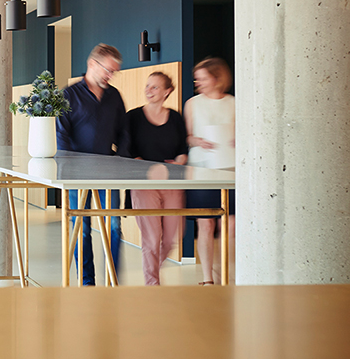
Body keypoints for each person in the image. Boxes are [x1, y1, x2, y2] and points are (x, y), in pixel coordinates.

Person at [57, 43, 130, 285]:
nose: (111, 76)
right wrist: (69, 171)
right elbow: (61, 136)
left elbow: (124, 133)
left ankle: (113, 280)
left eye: (114, 72)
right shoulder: (69, 95)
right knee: (83, 228)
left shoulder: (115, 96)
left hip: (107, 175)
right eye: (108, 70)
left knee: (114, 227)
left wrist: (121, 161)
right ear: (92, 64)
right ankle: (87, 282)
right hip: (77, 176)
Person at [127, 72, 189, 285]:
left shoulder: (175, 118)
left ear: (167, 91)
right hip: (144, 186)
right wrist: (147, 167)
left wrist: (177, 164)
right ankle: (152, 284)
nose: (148, 91)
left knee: (172, 238)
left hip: (172, 184)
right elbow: (127, 150)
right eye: (147, 86)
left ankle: (152, 272)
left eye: (154, 87)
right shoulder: (133, 117)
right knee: (152, 239)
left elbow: (182, 151)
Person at [183, 57, 236, 285]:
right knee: (206, 223)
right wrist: (196, 140)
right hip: (201, 170)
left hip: (231, 171)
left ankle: (228, 272)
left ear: (216, 78)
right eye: (197, 79)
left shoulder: (235, 102)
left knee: (232, 224)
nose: (198, 82)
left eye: (203, 78)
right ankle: (207, 278)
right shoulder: (192, 103)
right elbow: (186, 137)